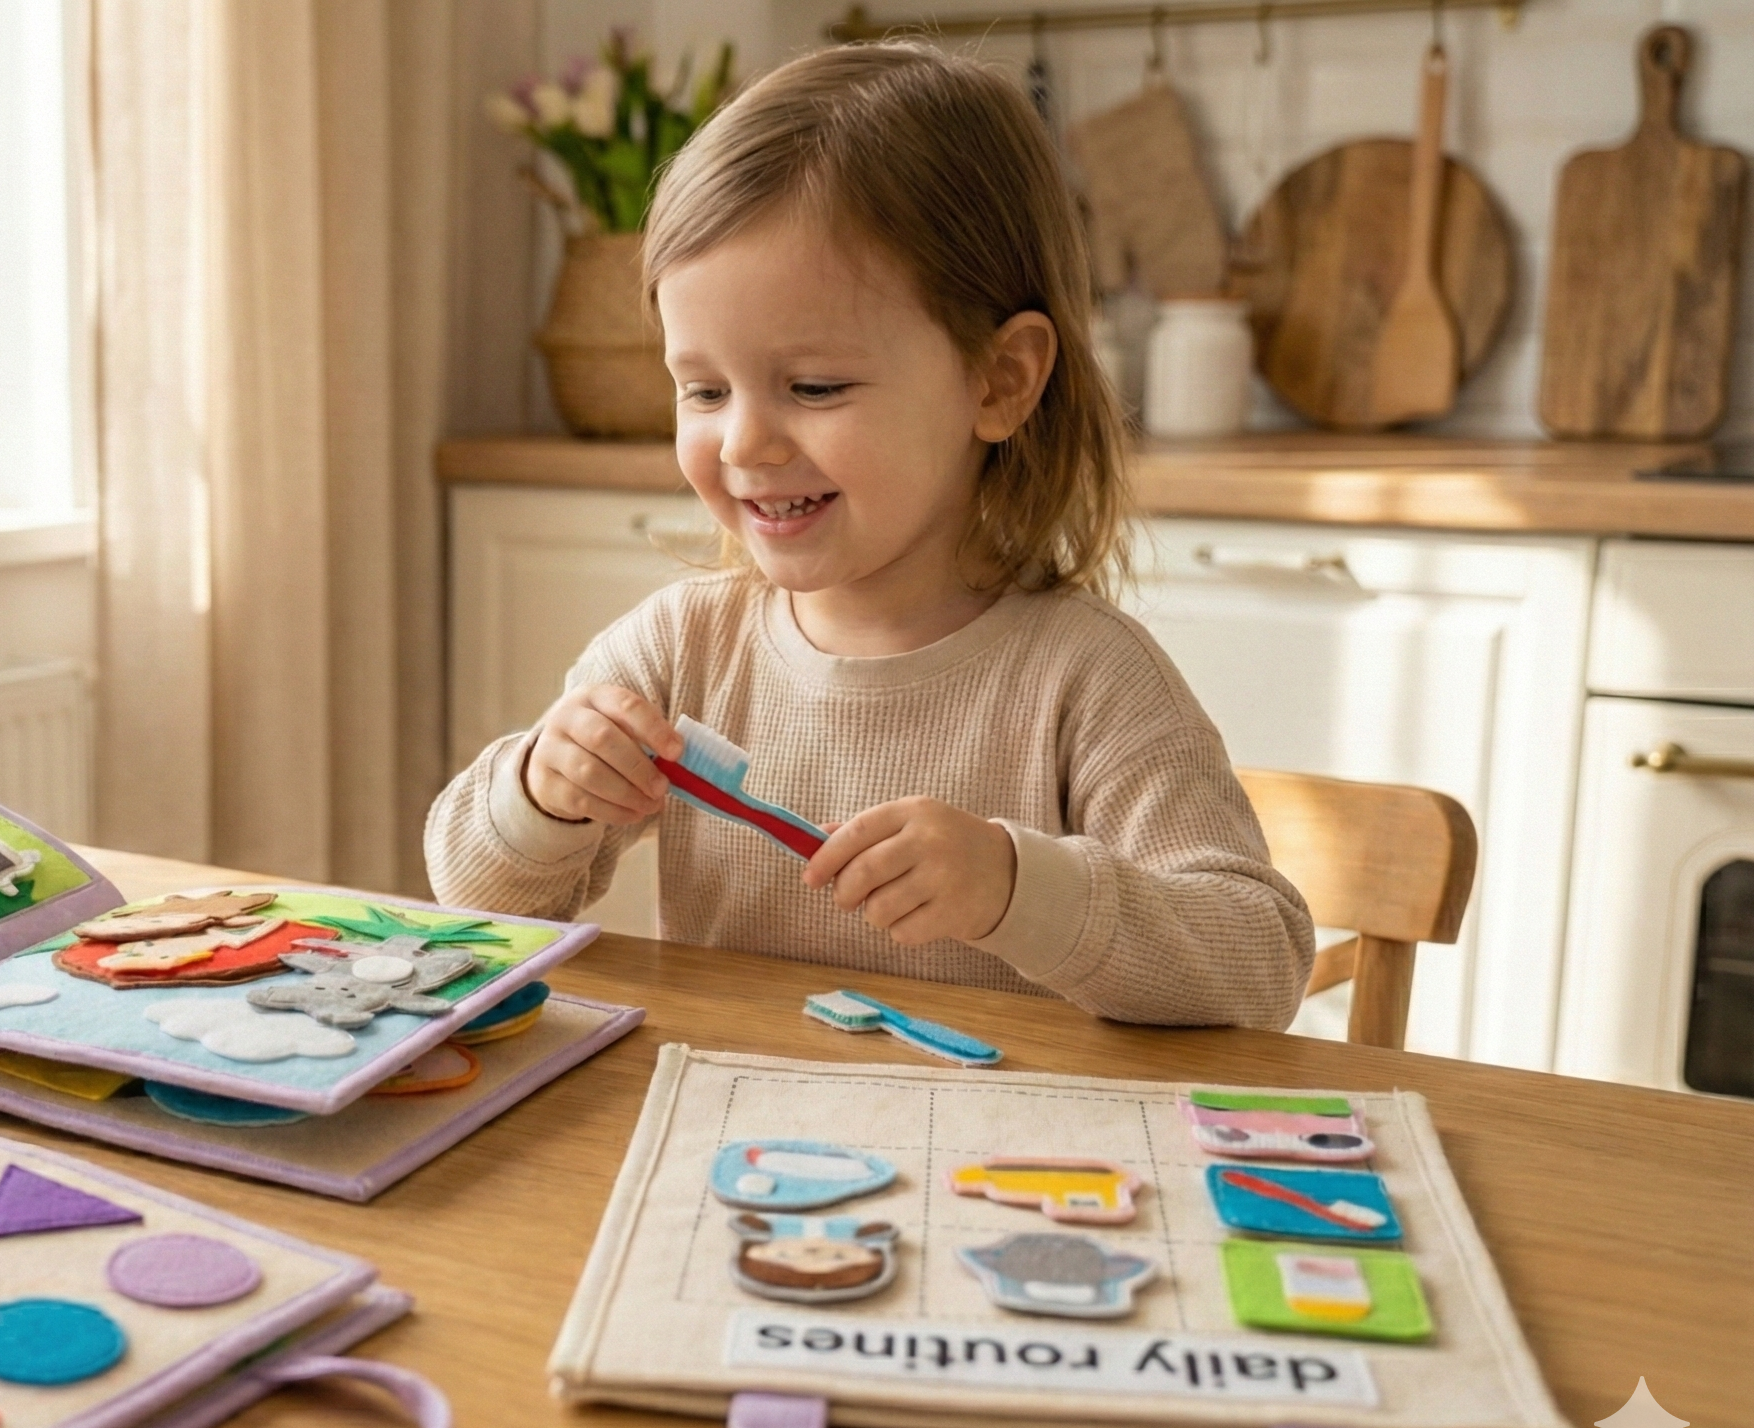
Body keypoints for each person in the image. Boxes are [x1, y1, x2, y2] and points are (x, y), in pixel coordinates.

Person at [425, 42, 1312, 1029]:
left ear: (998, 381)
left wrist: (1019, 889)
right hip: (729, 1157)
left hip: (997, 1166)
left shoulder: (1084, 681)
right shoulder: (676, 652)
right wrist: (539, 796)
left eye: (812, 387)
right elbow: (475, 908)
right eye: (703, 390)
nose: (746, 442)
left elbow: (1257, 961)